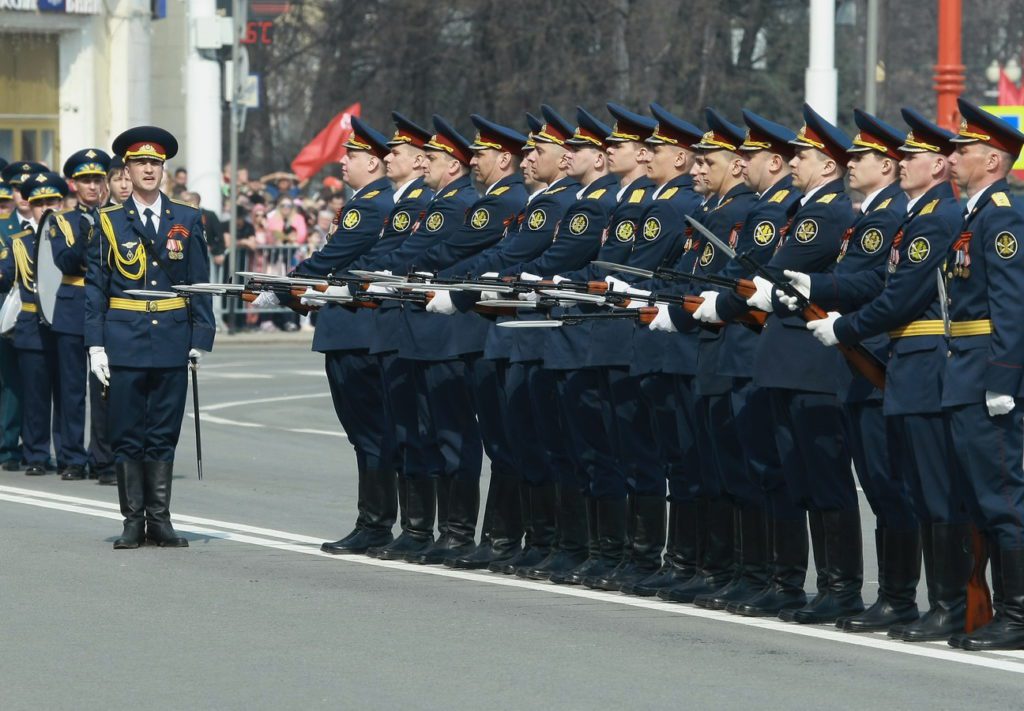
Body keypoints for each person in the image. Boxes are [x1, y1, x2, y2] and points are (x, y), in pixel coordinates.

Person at [741, 104, 862, 625]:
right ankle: (798, 583)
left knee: (825, 475)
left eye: (804, 156)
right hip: (788, 356)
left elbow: (782, 269)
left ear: (828, 166)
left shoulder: (828, 211)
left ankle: (841, 588)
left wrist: (747, 292)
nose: (793, 163)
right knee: (800, 477)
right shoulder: (805, 207)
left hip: (811, 360)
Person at [256, 118, 396, 555]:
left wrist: (284, 285)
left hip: (355, 332)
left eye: (351, 155)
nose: (342, 161)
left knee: (370, 433)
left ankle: (375, 524)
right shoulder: (371, 200)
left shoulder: (370, 204)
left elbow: (333, 257)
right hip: (348, 326)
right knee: (367, 435)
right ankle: (374, 521)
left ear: (372, 163)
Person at [85, 125, 215, 549]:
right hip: (124, 337)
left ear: (164, 170)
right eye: (140, 163)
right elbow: (95, 288)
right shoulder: (108, 222)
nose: (148, 170)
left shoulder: (187, 218)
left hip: (173, 336)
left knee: (163, 429)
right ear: (127, 169)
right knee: (126, 430)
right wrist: (95, 344)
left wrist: (201, 335)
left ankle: (159, 519)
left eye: (155, 163)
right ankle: (131, 520)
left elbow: (199, 280)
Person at [942, 99, 1024, 651]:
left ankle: (1017, 616)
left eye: (963, 151)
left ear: (993, 160)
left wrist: (1003, 379)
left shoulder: (1003, 216)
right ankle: (993, 608)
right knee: (979, 497)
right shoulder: (974, 216)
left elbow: (1012, 305)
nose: (952, 159)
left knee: (1002, 497)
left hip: (986, 376)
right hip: (963, 371)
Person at [54, 148, 113, 482]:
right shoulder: (61, 220)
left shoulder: (116, 216)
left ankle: (103, 459)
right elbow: (65, 261)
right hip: (72, 307)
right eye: (85, 180)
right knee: (71, 390)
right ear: (73, 184)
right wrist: (88, 229)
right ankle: (73, 458)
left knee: (103, 388)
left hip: (103, 308)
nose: (92, 186)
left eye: (97, 179)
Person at [1, 170, 65, 476]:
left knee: (67, 394)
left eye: (53, 200)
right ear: (32, 205)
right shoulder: (18, 242)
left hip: (66, 324)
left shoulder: (74, 233)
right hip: (30, 324)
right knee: (35, 394)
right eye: (40, 202)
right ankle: (37, 453)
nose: (47, 207)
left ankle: (70, 455)